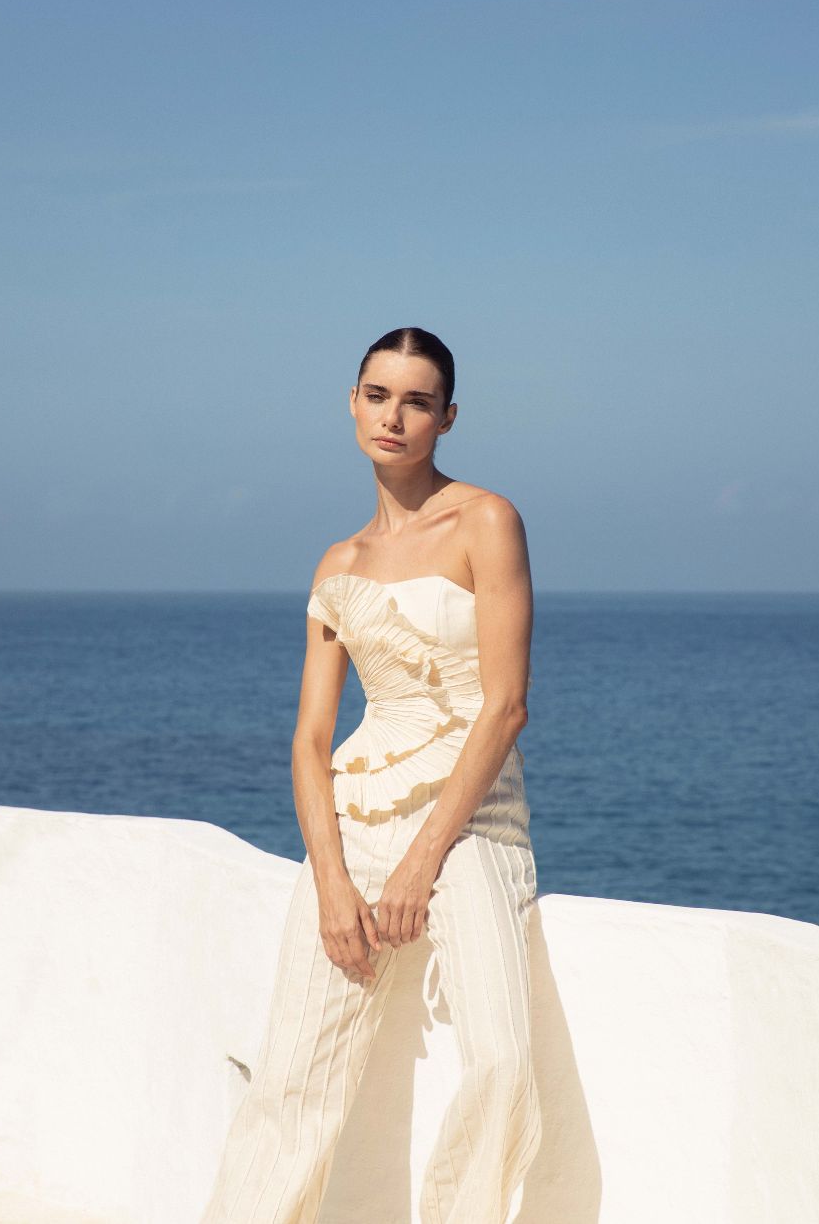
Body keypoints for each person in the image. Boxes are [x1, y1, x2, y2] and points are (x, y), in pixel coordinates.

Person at [199, 327, 542, 1223]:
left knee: (503, 1059)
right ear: (352, 404)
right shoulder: (339, 563)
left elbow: (506, 706)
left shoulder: (487, 522)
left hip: (470, 820)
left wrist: (424, 860)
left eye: (417, 401)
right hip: (355, 821)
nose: (394, 417)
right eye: (378, 396)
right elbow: (311, 740)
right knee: (293, 1084)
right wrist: (331, 881)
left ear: (448, 418)